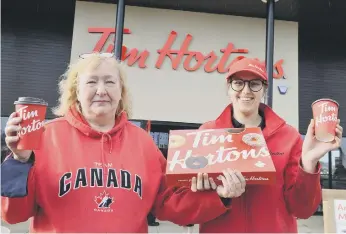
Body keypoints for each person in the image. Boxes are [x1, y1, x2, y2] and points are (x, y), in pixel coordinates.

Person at [1, 53, 245, 233]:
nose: (101, 90)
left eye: (109, 82)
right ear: (76, 90)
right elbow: (12, 214)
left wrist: (218, 197)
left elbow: (169, 203)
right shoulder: (45, 137)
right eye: (91, 82)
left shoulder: (143, 144)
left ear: (121, 91)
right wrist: (20, 161)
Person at [194, 57, 343, 233]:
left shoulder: (288, 137)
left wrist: (309, 164)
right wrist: (218, 197)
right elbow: (188, 204)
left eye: (255, 84)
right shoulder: (207, 134)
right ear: (229, 87)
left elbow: (302, 209)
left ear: (264, 89)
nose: (246, 90)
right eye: (238, 83)